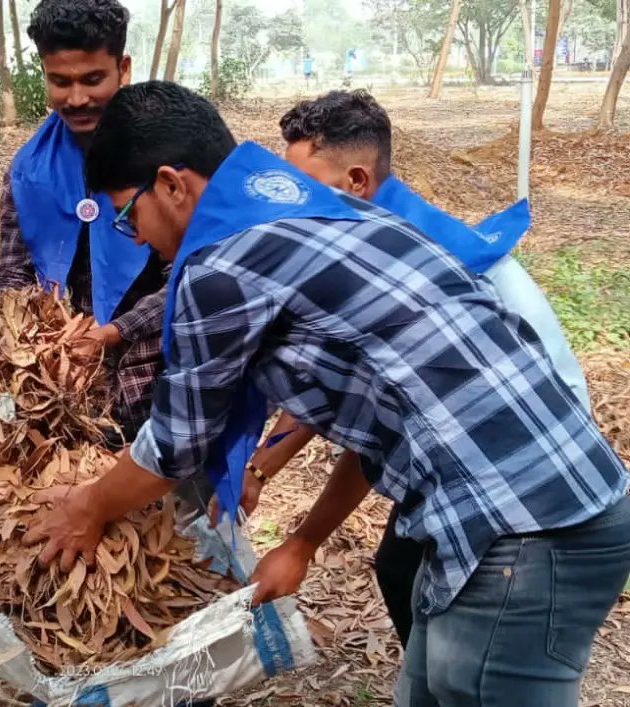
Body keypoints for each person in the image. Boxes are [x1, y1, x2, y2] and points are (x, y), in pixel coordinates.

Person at [24, 81, 630, 706]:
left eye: (128, 216)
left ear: (174, 185)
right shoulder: (325, 213)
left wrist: (89, 507)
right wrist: (305, 539)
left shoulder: (224, 263)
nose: (138, 238)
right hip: (545, 504)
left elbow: (174, 446)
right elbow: (388, 419)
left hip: (523, 529)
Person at [206, 89, 594, 647]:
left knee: (424, 576)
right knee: (404, 570)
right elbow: (342, 390)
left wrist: (302, 542)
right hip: (486, 421)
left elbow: (388, 428)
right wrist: (261, 467)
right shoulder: (380, 235)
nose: (290, 207)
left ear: (358, 181)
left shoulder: (405, 261)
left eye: (305, 186)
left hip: (526, 439)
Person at [0, 0, 173, 447]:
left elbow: (197, 279)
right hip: (75, 389)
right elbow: (13, 273)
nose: (76, 99)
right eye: (60, 82)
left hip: (164, 378)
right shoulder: (29, 171)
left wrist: (113, 333)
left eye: (93, 80)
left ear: (123, 68)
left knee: (182, 509)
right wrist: (9, 340)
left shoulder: (170, 156)